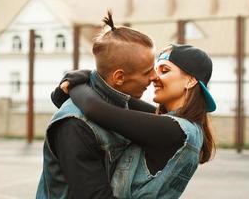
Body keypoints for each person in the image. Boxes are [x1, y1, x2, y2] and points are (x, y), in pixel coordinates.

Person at [54, 44, 217, 198]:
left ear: (190, 81)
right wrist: (88, 77)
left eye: (164, 70)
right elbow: (116, 98)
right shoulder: (182, 128)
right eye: (155, 70)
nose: (154, 78)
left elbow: (95, 109)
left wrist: (77, 82)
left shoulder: (172, 130)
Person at [36, 11, 157, 199]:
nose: (154, 77)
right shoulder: (75, 126)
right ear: (119, 77)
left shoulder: (119, 104)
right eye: (147, 72)